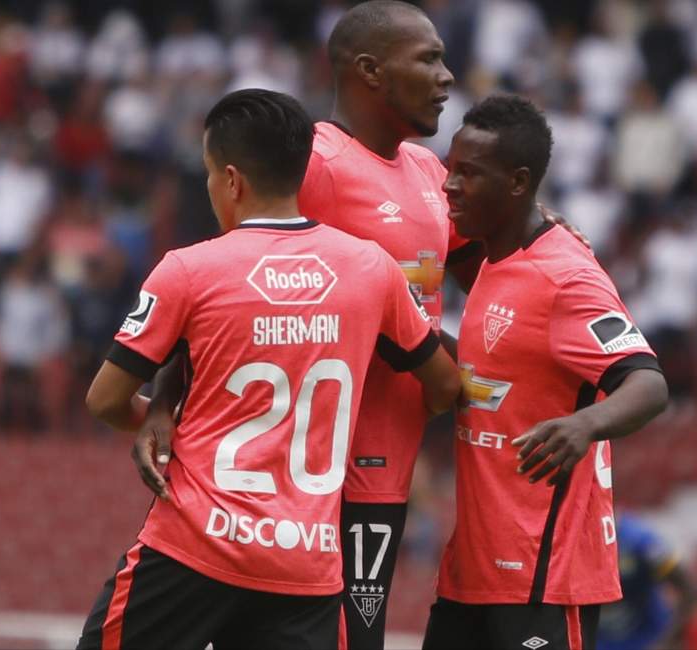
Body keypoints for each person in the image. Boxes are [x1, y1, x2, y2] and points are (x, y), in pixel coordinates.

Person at [135, 3, 480, 648]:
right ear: (370, 70)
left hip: (387, 466)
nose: (447, 76)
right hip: (305, 476)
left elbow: (484, 269)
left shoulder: (428, 172)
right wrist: (165, 398)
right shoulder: (316, 162)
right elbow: (222, 278)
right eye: (429, 59)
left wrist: (544, 235)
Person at [422, 95, 668, 650]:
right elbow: (492, 375)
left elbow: (648, 383)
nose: (450, 186)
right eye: (450, 169)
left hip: (543, 572)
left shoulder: (565, 277)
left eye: (469, 173)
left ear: (518, 182)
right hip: (473, 570)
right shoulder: (493, 261)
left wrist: (585, 425)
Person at [597, 513, 697, 650]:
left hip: (645, 637)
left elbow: (687, 588)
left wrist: (672, 637)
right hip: (599, 640)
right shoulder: (571, 544)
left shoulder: (641, 540)